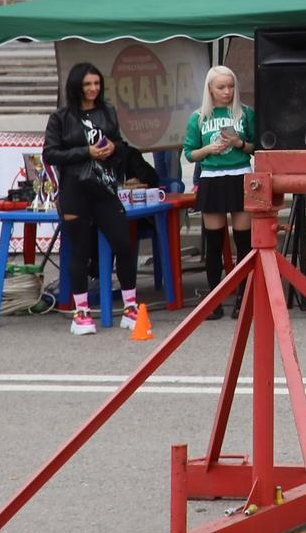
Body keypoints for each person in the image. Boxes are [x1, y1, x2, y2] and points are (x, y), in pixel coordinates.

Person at [45, 62, 161, 335]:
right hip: (75, 189)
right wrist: (86, 152)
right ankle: (82, 312)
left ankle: (130, 306)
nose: (93, 89)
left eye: (96, 83)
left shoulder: (107, 111)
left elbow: (120, 144)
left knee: (124, 244)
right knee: (80, 250)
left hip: (105, 187)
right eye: (87, 84)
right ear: (76, 86)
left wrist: (113, 148)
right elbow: (50, 153)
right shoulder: (61, 117)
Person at [180, 65, 259, 301]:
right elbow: (189, 153)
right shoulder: (199, 117)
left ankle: (243, 298)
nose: (227, 91)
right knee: (214, 244)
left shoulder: (245, 113)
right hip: (212, 180)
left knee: (244, 243)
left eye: (231, 86)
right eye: (221, 87)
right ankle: (214, 300)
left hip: (240, 176)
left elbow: (257, 146)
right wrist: (208, 149)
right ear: (210, 89)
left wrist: (239, 144)